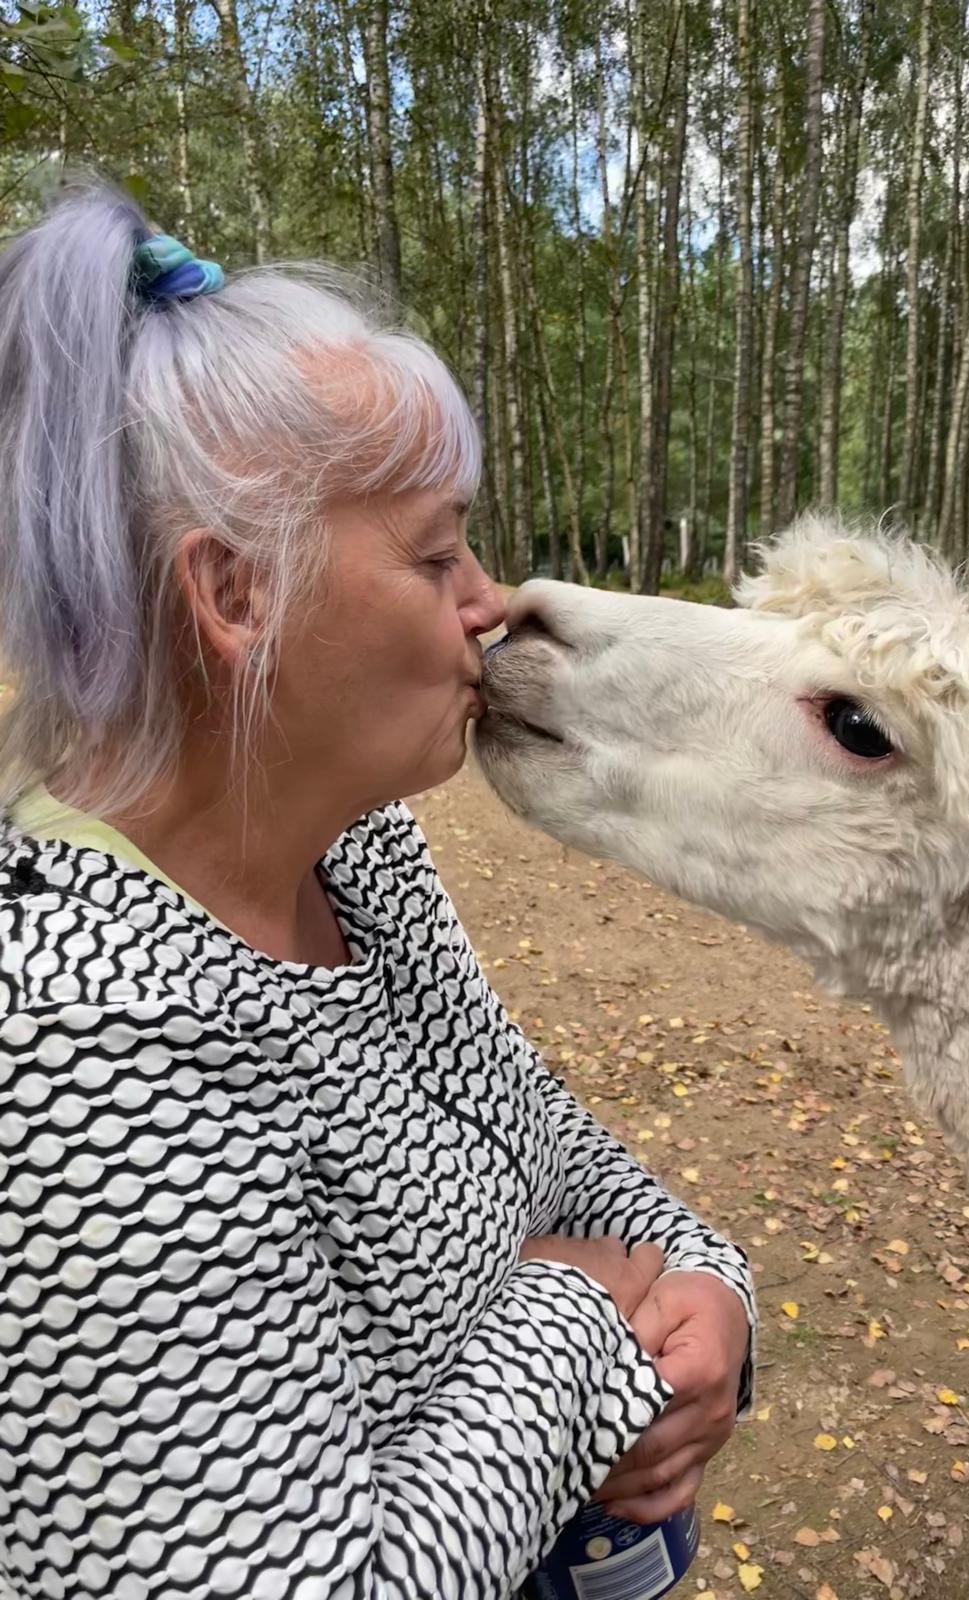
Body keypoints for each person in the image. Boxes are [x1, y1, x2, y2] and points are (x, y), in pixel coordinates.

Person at [0, 184, 754, 1600]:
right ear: (235, 596)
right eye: (433, 552)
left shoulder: (359, 859)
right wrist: (580, 1315)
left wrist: (707, 1279)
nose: (490, 599)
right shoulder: (73, 1053)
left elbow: (538, 1134)